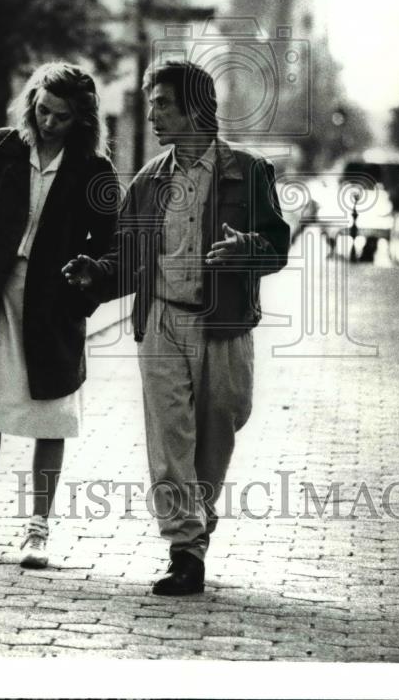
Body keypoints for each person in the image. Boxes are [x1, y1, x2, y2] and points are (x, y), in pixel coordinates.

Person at [63, 60, 290, 595]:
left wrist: (247, 250)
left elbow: (277, 245)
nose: (154, 115)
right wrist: (95, 274)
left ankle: (198, 519)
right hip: (162, 320)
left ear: (196, 109)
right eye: (152, 105)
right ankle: (184, 550)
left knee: (220, 427)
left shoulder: (250, 172)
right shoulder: (148, 181)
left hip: (225, 326)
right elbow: (127, 257)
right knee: (170, 443)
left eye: (163, 105)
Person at [0, 62, 118, 568]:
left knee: (52, 413)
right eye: (42, 110)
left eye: (61, 117)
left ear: (82, 121)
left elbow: (111, 243)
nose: (47, 122)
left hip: (54, 303)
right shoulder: (0, 147)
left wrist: (86, 281)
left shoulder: (95, 171)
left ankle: (38, 527)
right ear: (32, 103)